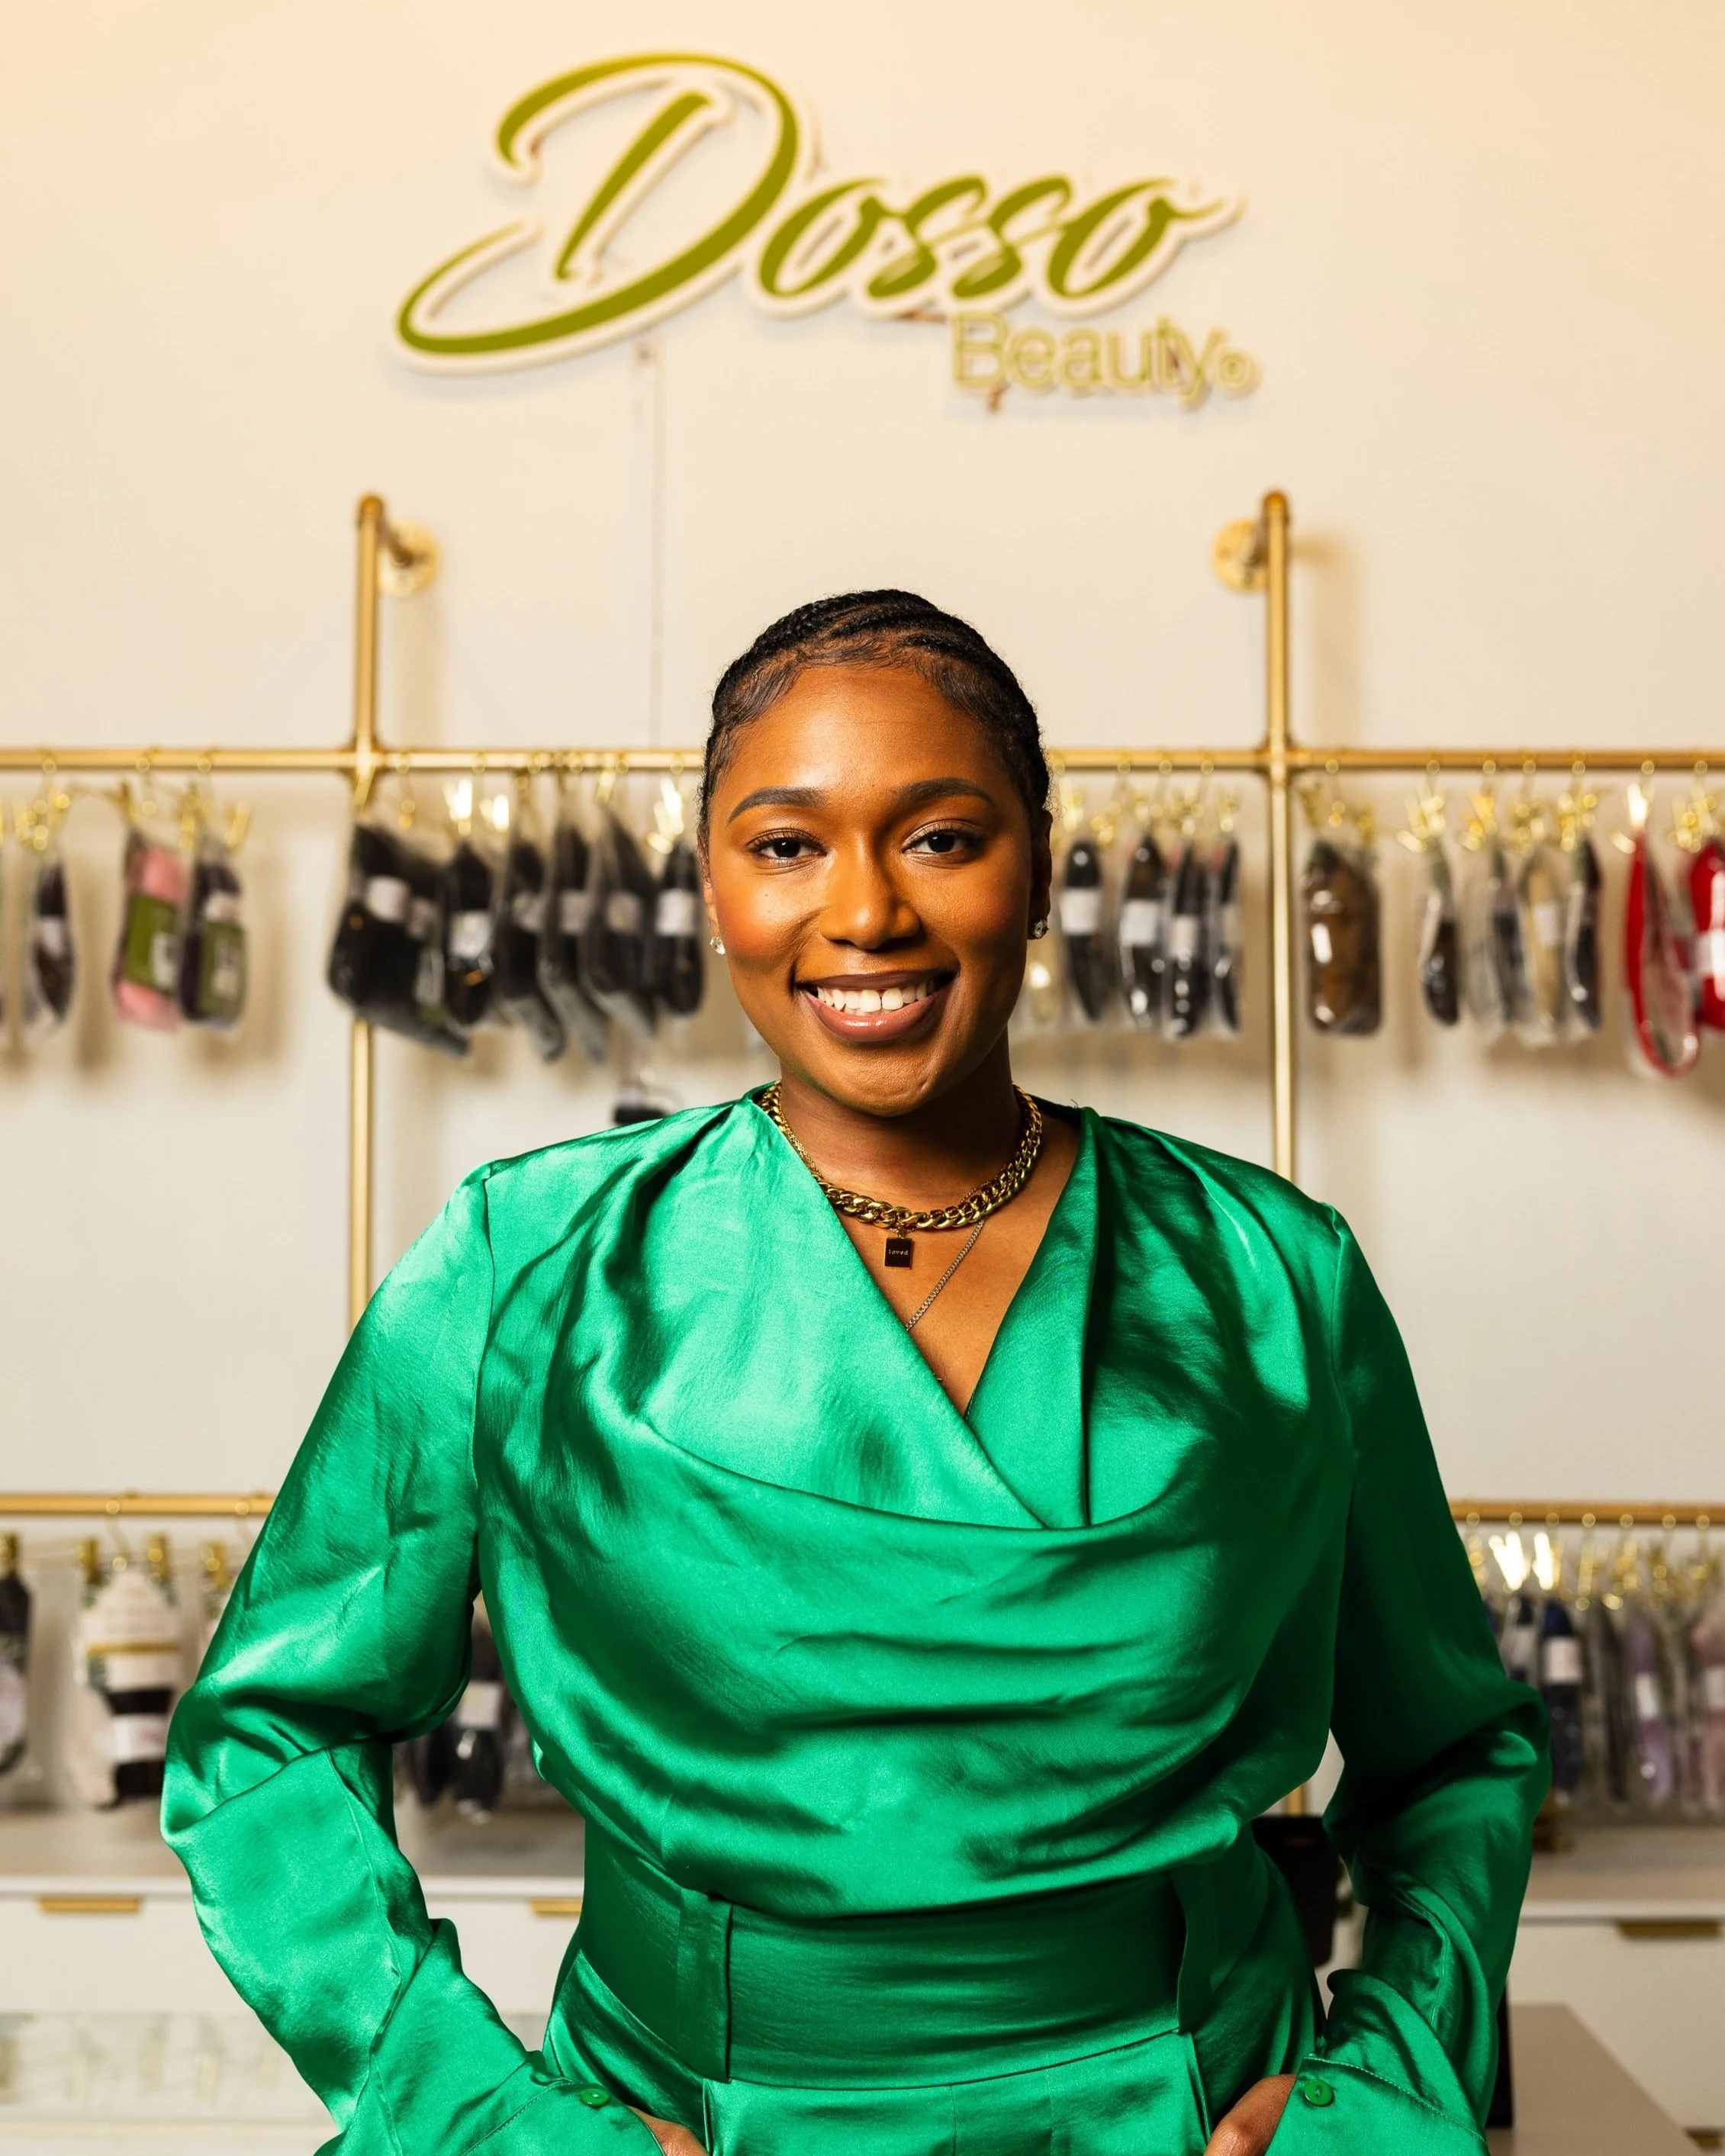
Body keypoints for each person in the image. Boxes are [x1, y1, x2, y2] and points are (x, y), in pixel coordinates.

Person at [164, 592, 1547, 2156]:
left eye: (941, 839)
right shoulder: (521, 1266)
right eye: (786, 845)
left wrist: (1378, 2090)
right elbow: (266, 1740)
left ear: (1037, 871)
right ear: (710, 890)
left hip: (1181, 2114)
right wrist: (482, 2116)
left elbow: (1453, 1755)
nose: (865, 912)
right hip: (680, 2123)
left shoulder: (1270, 1276)